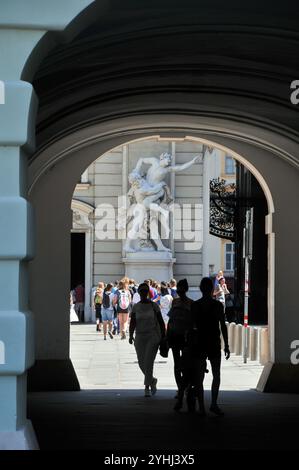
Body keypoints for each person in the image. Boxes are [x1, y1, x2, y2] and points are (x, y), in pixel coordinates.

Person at [190, 277, 230, 416]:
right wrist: (227, 345)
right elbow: (223, 326)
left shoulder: (195, 306)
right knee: (216, 374)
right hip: (214, 342)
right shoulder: (218, 306)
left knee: (199, 377)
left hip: (199, 343)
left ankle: (201, 406)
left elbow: (191, 327)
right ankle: (213, 403)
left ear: (201, 289)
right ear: (213, 290)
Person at [129, 283, 165, 397]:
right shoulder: (136, 307)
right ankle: (152, 380)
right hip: (140, 336)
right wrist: (130, 335)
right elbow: (133, 322)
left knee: (149, 362)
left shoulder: (154, 306)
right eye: (142, 291)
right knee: (141, 363)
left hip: (152, 336)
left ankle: (147, 387)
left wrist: (163, 336)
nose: (144, 293)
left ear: (148, 293)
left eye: (145, 291)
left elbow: (161, 321)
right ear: (139, 293)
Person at [167, 279, 193, 402]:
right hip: (176, 336)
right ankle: (181, 389)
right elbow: (171, 320)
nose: (180, 291)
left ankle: (184, 388)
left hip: (186, 337)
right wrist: (167, 335)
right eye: (179, 289)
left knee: (185, 364)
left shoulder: (191, 304)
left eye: (182, 289)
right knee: (177, 364)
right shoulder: (175, 302)